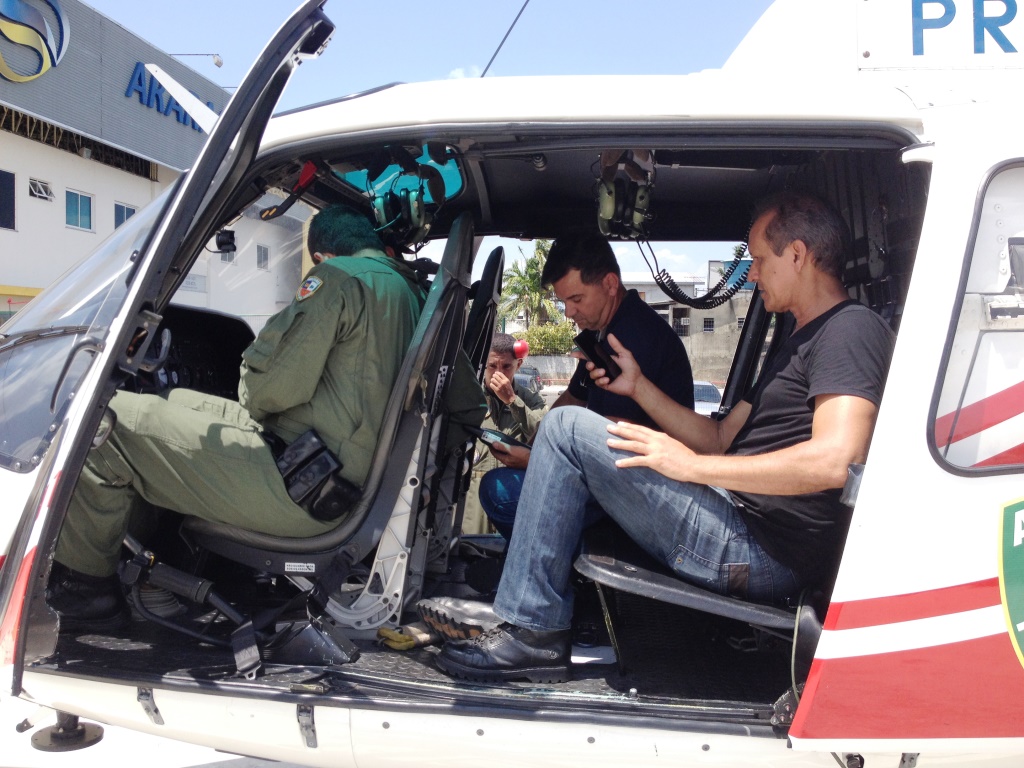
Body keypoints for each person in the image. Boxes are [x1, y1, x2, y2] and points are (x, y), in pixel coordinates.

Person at [421, 190, 896, 683]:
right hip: (735, 516)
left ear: (797, 255)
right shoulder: (795, 342)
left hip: (760, 551)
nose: (752, 274)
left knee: (562, 429)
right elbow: (718, 438)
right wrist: (638, 388)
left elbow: (836, 460)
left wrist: (691, 467)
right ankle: (534, 614)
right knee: (562, 431)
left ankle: (533, 631)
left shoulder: (849, 331)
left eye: (758, 260)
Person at [47, 203, 483, 631]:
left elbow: (267, 391)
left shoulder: (338, 278)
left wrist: (255, 378)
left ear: (322, 256)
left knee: (109, 425)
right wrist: (408, 477)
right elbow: (469, 406)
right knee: (174, 399)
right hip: (346, 483)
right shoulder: (421, 299)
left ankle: (87, 590)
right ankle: (168, 568)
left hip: (306, 492)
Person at [476, 233, 693, 538]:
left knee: (499, 490)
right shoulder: (601, 331)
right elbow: (573, 397)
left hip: (644, 486)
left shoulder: (630, 338)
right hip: (617, 474)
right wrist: (535, 442)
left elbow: (614, 436)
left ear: (610, 284)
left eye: (576, 300)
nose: (568, 313)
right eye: (563, 301)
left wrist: (535, 460)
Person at [461, 333, 547, 537]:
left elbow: (543, 435)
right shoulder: (469, 397)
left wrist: (512, 401)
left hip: (511, 493)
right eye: (492, 366)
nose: (498, 374)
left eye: (506, 366)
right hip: (473, 494)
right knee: (472, 546)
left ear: (518, 365)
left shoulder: (531, 400)